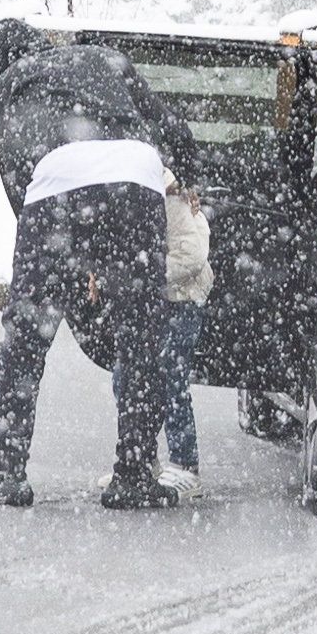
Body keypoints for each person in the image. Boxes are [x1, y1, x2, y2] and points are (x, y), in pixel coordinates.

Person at [0, 25, 199, 510]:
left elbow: (17, 177)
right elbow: (170, 127)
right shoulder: (100, 58)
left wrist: (60, 258)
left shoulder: (5, 86)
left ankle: (9, 472)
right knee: (141, 336)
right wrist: (190, 174)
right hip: (137, 180)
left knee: (26, 338)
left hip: (56, 189)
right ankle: (135, 473)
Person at [112, 176, 215, 496]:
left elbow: (192, 255)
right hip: (157, 300)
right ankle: (143, 457)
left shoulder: (170, 196)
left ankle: (186, 463)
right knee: (128, 378)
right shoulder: (139, 194)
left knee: (171, 379)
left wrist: (144, 275)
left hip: (181, 300)